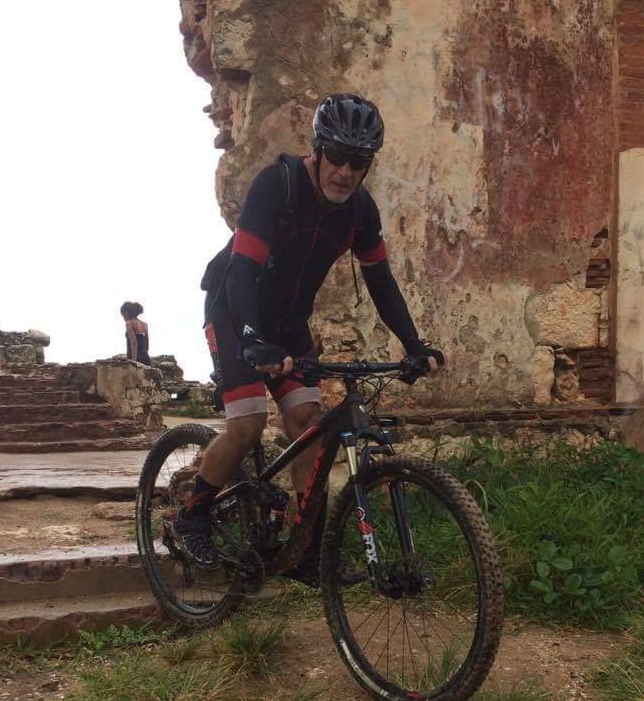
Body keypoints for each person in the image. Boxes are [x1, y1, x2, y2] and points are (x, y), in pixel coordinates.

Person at [175, 92, 444, 584]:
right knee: (249, 422)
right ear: (317, 150)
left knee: (308, 423)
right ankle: (192, 513)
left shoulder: (360, 211)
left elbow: (381, 281)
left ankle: (304, 550)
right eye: (337, 157)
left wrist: (413, 344)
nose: (345, 171)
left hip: (290, 323)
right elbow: (240, 272)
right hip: (236, 312)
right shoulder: (276, 186)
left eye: (358, 162)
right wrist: (255, 340)